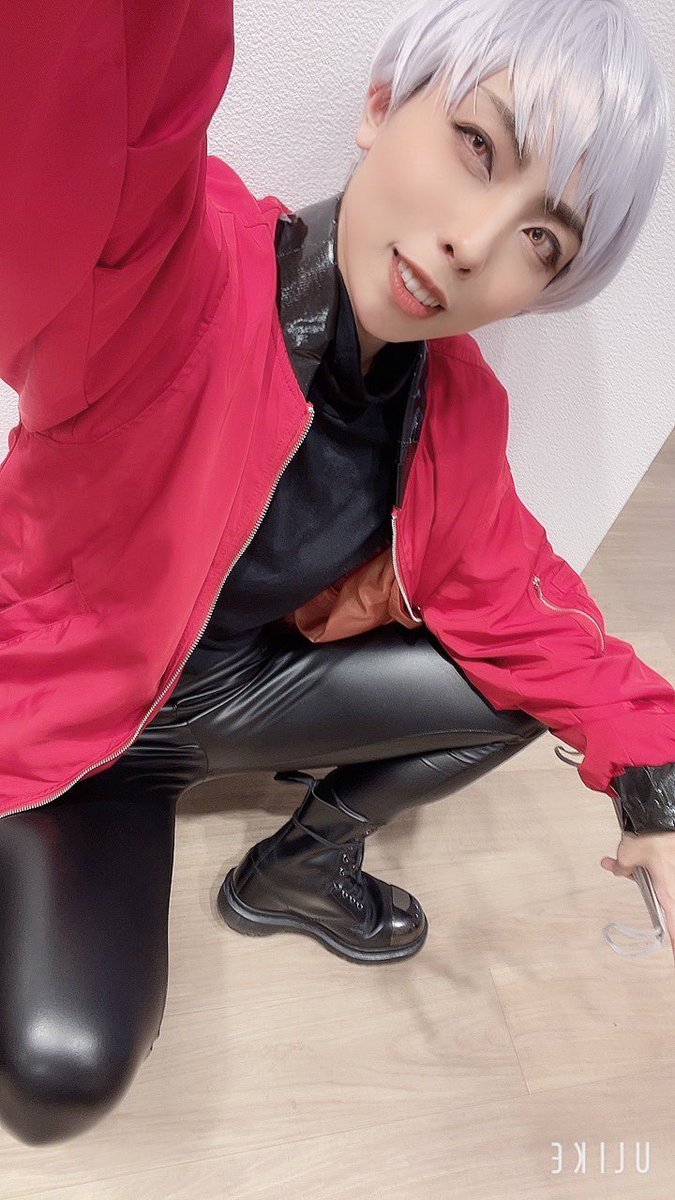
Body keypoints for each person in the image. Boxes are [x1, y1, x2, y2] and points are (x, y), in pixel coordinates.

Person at [0, 0, 673, 1148]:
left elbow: (528, 609)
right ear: (380, 106)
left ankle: (300, 872)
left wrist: (658, 790)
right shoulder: (165, 272)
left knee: (518, 687)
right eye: (478, 146)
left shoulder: (451, 409)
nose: (474, 240)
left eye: (542, 239)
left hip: (231, 700)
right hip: (79, 714)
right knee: (60, 1074)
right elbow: (88, 94)